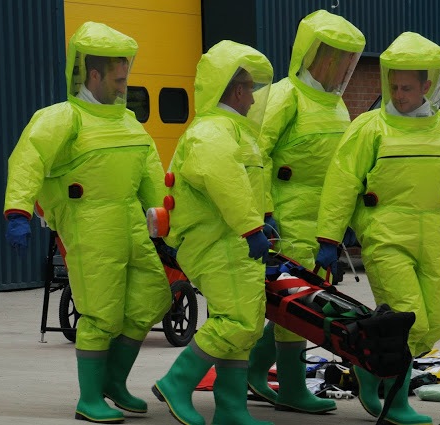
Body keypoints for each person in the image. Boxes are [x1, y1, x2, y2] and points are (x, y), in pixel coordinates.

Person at [314, 32, 440, 425]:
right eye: (394, 86)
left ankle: (369, 370)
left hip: (431, 230)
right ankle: (396, 401)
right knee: (406, 318)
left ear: (427, 86)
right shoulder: (370, 128)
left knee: (436, 321)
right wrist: (329, 238)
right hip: (384, 231)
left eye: (407, 88)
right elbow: (342, 182)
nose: (399, 95)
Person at [3, 22, 172, 424]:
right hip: (89, 225)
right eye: (118, 78)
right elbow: (28, 160)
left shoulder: (128, 122)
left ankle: (113, 381)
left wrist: (167, 220)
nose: (124, 85)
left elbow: (150, 173)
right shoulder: (63, 118)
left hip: (129, 222)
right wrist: (18, 211)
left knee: (153, 295)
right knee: (100, 313)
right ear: (93, 74)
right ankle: (89, 398)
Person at [247, 9, 366, 415]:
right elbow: (257, 153)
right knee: (296, 304)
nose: (345, 68)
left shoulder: (335, 105)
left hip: (320, 221)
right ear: (317, 55)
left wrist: (342, 222)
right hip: (287, 217)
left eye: (350, 60)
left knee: (304, 303)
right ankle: (291, 387)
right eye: (339, 58)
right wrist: (264, 210)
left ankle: (256, 371)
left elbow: (343, 170)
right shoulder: (285, 96)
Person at [151, 40, 274, 425]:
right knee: (236, 321)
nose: (253, 99)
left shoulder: (230, 131)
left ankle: (232, 410)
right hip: (219, 243)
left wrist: (262, 221)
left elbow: (247, 185)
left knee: (245, 325)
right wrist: (252, 227)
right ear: (236, 91)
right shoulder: (213, 132)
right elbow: (226, 183)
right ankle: (177, 382)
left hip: (233, 243)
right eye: (250, 90)